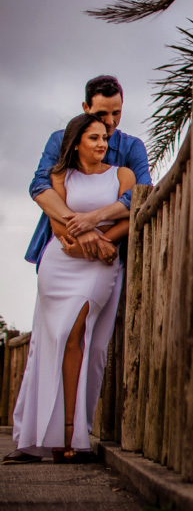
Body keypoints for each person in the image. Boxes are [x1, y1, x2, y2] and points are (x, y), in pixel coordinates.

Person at [4, 113, 135, 463]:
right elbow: (57, 223)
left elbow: (129, 215)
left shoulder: (122, 175)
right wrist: (84, 238)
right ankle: (42, 438)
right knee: (53, 342)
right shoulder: (60, 176)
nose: (102, 144)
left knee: (75, 333)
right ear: (76, 142)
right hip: (59, 264)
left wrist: (103, 241)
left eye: (105, 138)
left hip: (100, 265)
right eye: (94, 137)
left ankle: (72, 437)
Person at [25, 75, 151, 268]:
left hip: (112, 254)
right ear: (86, 108)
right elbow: (40, 186)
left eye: (116, 113)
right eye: (102, 113)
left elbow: (142, 195)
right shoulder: (60, 141)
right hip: (65, 245)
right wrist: (83, 231)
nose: (110, 121)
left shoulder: (132, 146)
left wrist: (94, 219)